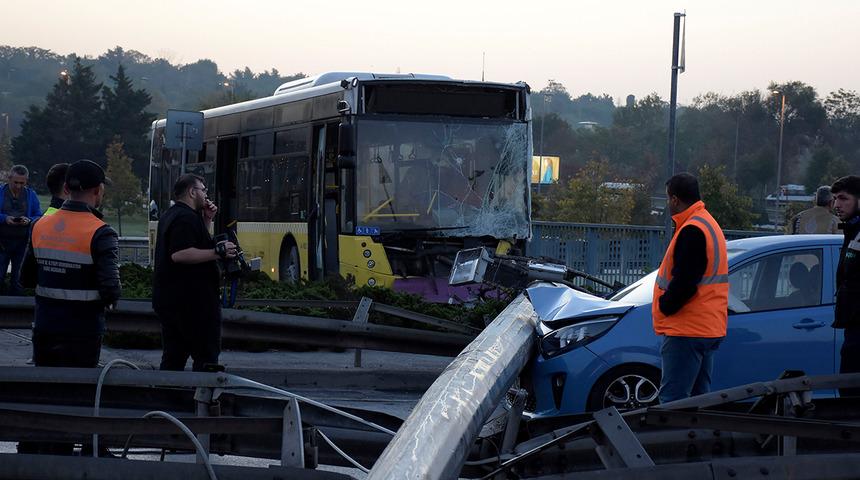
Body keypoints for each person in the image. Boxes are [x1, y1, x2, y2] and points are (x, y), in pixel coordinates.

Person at [17, 160, 120, 456]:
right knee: (79, 395)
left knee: (46, 392)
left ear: (65, 189)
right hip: (83, 333)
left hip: (46, 328)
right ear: (98, 192)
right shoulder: (101, 232)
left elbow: (25, 278)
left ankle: (38, 450)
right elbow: (110, 289)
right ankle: (78, 454)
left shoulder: (40, 225)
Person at [652, 172, 729, 404]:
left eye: (667, 199)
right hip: (708, 325)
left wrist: (666, 306)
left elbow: (686, 280)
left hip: (687, 328)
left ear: (675, 199)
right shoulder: (707, 223)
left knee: (673, 401)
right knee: (698, 400)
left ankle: (673, 442)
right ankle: (695, 441)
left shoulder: (692, 229)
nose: (668, 204)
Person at [153, 174, 236, 371]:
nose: (206, 195)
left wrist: (207, 220)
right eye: (203, 190)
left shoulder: (174, 215)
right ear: (192, 192)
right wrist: (218, 252)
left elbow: (196, 243)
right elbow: (180, 254)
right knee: (206, 357)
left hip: (173, 301)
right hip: (192, 304)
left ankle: (168, 396)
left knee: (174, 356)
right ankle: (202, 398)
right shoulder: (185, 218)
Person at [830, 175, 860, 397]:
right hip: (852, 325)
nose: (836, 205)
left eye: (843, 198)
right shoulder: (852, 232)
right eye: (834, 199)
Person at [0, 165, 42, 295]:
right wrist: (4, 218)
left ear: (26, 181)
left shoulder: (31, 195)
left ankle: (16, 309)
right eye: (16, 182)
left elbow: (38, 215)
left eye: (22, 183)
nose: (18, 186)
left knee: (17, 278)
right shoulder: (0, 192)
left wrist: (29, 220)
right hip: (2, 243)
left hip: (22, 243)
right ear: (9, 178)